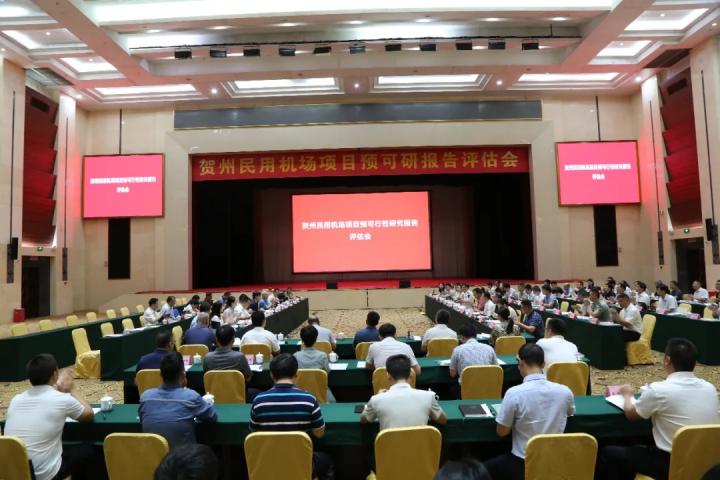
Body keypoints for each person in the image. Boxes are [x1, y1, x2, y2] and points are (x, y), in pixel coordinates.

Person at [598, 338, 720, 480]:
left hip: (670, 464)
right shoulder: (710, 388)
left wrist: (627, 395)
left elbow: (632, 415)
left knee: (609, 453)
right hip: (708, 463)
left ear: (667, 360)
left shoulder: (659, 390)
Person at [484, 344, 575, 480]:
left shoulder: (514, 393)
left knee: (479, 469)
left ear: (520, 363)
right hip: (554, 461)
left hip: (523, 462)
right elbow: (570, 413)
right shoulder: (565, 391)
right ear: (543, 364)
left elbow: (502, 432)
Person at [4, 354, 98, 480]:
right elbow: (89, 415)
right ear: (55, 374)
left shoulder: (16, 399)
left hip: (14, 473)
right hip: (44, 476)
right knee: (87, 451)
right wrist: (71, 390)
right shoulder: (62, 399)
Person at [250, 354, 334, 480]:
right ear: (296, 374)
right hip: (301, 463)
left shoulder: (258, 401)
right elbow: (319, 434)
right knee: (326, 461)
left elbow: (254, 433)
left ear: (271, 375)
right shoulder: (309, 399)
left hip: (268, 462)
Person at [139, 352, 217, 448]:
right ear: (183, 374)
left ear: (161, 375)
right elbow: (211, 417)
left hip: (153, 455)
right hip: (184, 456)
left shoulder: (145, 397)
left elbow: (142, 420)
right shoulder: (191, 397)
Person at [361, 354, 446, 430]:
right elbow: (443, 420)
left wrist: (378, 396)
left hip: (390, 443)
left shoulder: (376, 399)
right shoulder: (429, 396)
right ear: (411, 374)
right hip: (419, 443)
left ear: (388, 375)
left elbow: (364, 420)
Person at [449, 324, 498, 393]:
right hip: (487, 388)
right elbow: (496, 369)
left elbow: (452, 374)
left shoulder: (458, 350)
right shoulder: (489, 348)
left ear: (462, 337)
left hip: (466, 389)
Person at [294, 325, 336, 402]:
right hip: (320, 392)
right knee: (332, 401)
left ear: (302, 340)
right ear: (316, 338)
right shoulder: (322, 356)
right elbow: (327, 372)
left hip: (301, 393)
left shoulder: (296, 356)